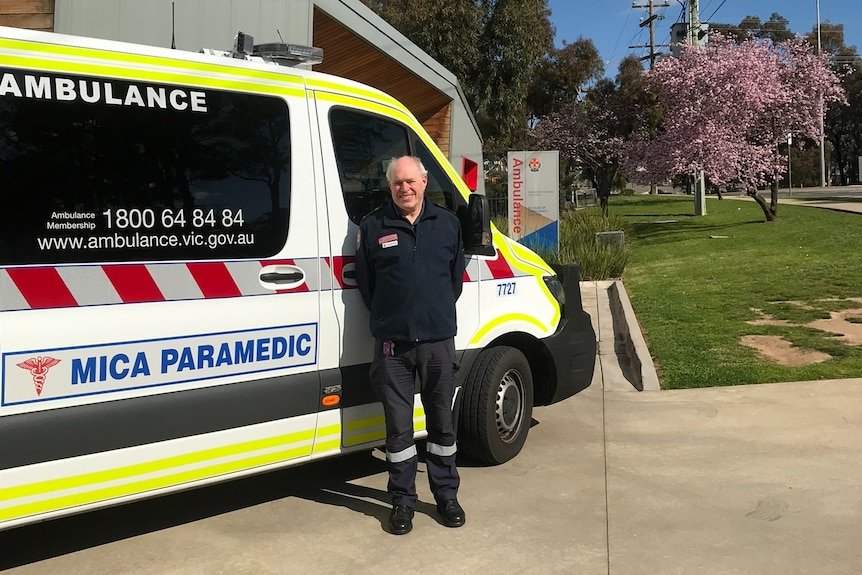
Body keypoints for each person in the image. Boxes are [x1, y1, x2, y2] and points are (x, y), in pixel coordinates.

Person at [355, 155, 466, 535]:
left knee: (442, 427)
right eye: (397, 183)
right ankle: (402, 502)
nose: (405, 188)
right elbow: (368, 287)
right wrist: (393, 319)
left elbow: (455, 282)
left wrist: (431, 316)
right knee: (399, 434)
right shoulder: (373, 227)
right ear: (390, 187)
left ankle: (446, 497)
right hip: (393, 349)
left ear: (424, 182)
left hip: (438, 344)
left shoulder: (448, 225)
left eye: (410, 181)